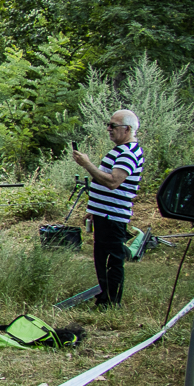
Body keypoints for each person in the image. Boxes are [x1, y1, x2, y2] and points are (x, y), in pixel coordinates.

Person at [73, 109, 144, 307]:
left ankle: (111, 302)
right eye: (109, 124)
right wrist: (94, 208)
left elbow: (113, 182)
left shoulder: (128, 152)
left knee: (112, 260)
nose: (109, 129)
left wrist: (87, 165)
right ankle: (104, 297)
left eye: (113, 126)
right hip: (104, 213)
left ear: (127, 129)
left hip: (114, 216)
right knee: (101, 258)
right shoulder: (119, 150)